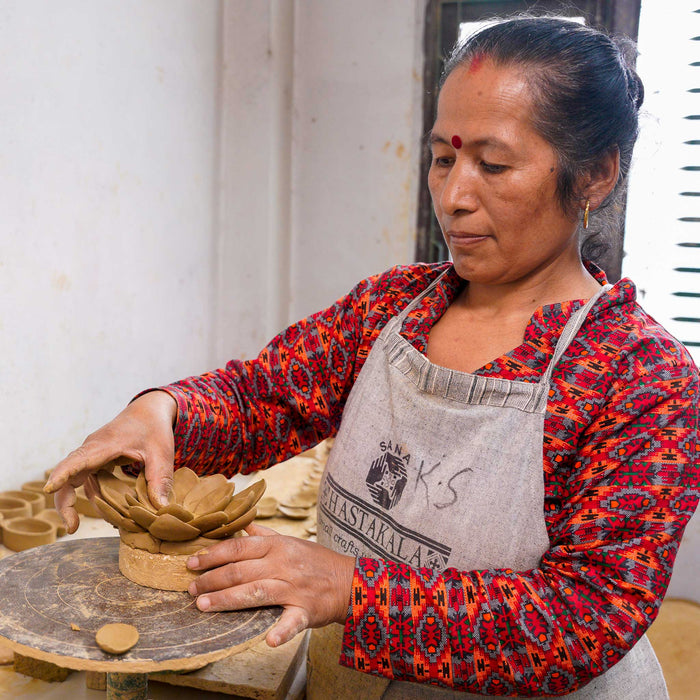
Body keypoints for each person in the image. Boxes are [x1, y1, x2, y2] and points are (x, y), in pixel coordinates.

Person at [45, 15, 698, 699]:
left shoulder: (639, 377)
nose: (453, 197)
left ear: (593, 175)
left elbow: (581, 619)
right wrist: (162, 412)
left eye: (494, 165)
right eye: (444, 158)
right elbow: (263, 397)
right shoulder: (394, 308)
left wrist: (351, 589)